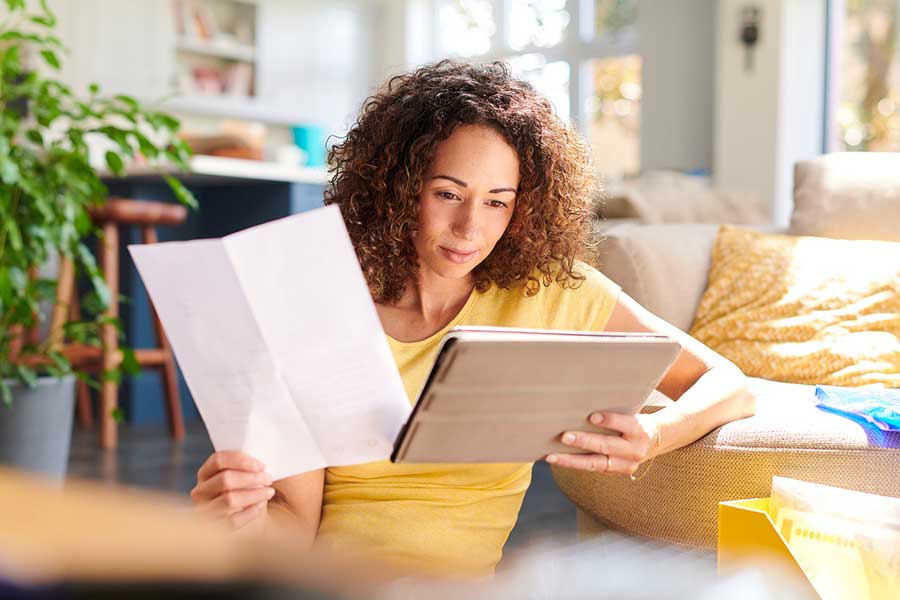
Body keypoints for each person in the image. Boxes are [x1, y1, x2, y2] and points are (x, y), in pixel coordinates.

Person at [190, 60, 755, 578]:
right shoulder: (321, 304)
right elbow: (296, 530)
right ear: (398, 186)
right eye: (448, 194)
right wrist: (245, 518)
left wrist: (654, 435)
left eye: (497, 202)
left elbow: (728, 384)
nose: (469, 229)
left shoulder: (551, 291)